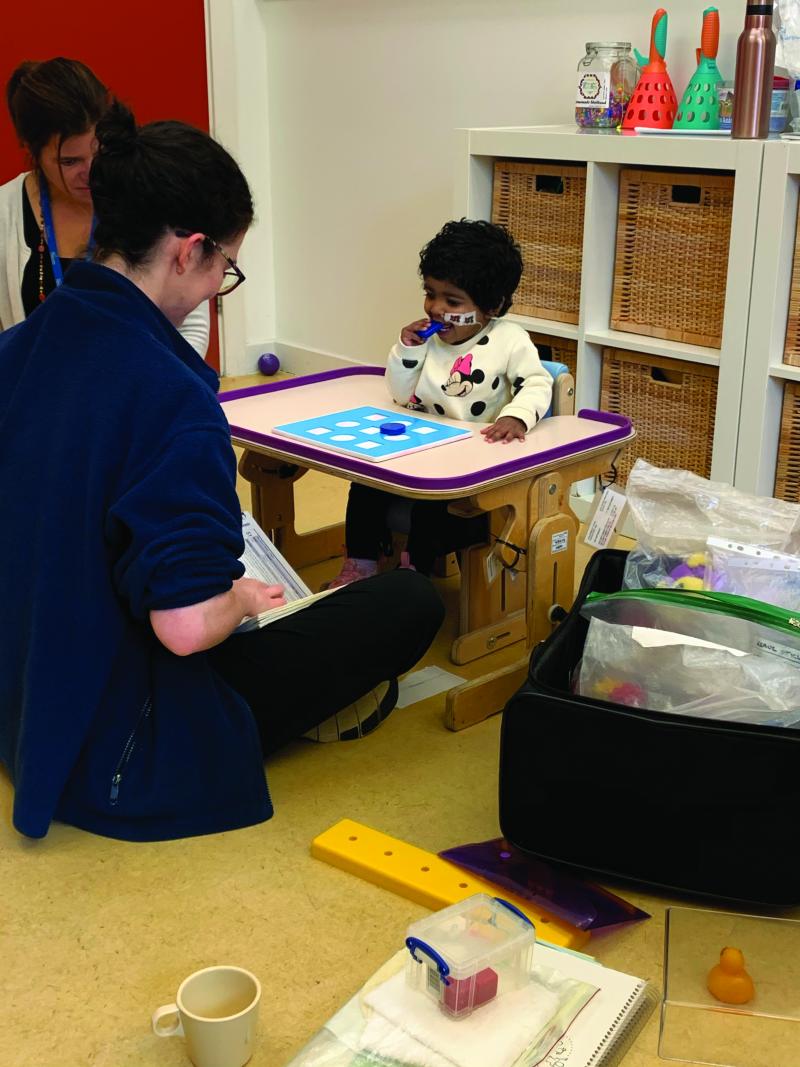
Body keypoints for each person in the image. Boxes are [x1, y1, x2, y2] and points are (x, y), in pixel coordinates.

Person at [0, 101, 444, 843]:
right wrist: (237, 599)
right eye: (224, 267)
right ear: (188, 250)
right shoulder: (175, 399)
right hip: (120, 737)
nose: (216, 287)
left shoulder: (18, 346)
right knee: (408, 601)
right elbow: (181, 629)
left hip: (22, 683)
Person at [326, 219, 553, 587]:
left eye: (452, 301)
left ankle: (411, 575)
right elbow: (400, 395)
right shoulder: (428, 340)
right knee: (363, 482)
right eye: (430, 293)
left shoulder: (510, 340)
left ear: (491, 306)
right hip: (420, 450)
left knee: (435, 506)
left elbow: (538, 383)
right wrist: (407, 352)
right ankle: (361, 563)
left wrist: (518, 416)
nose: (435, 308)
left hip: (471, 464)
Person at [0, 57, 210, 354]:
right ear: (31, 150)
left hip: (141, 391)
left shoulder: (147, 196)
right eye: (69, 161)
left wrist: (158, 391)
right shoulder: (4, 213)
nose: (91, 171)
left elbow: (192, 328)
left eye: (99, 152)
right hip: (39, 397)